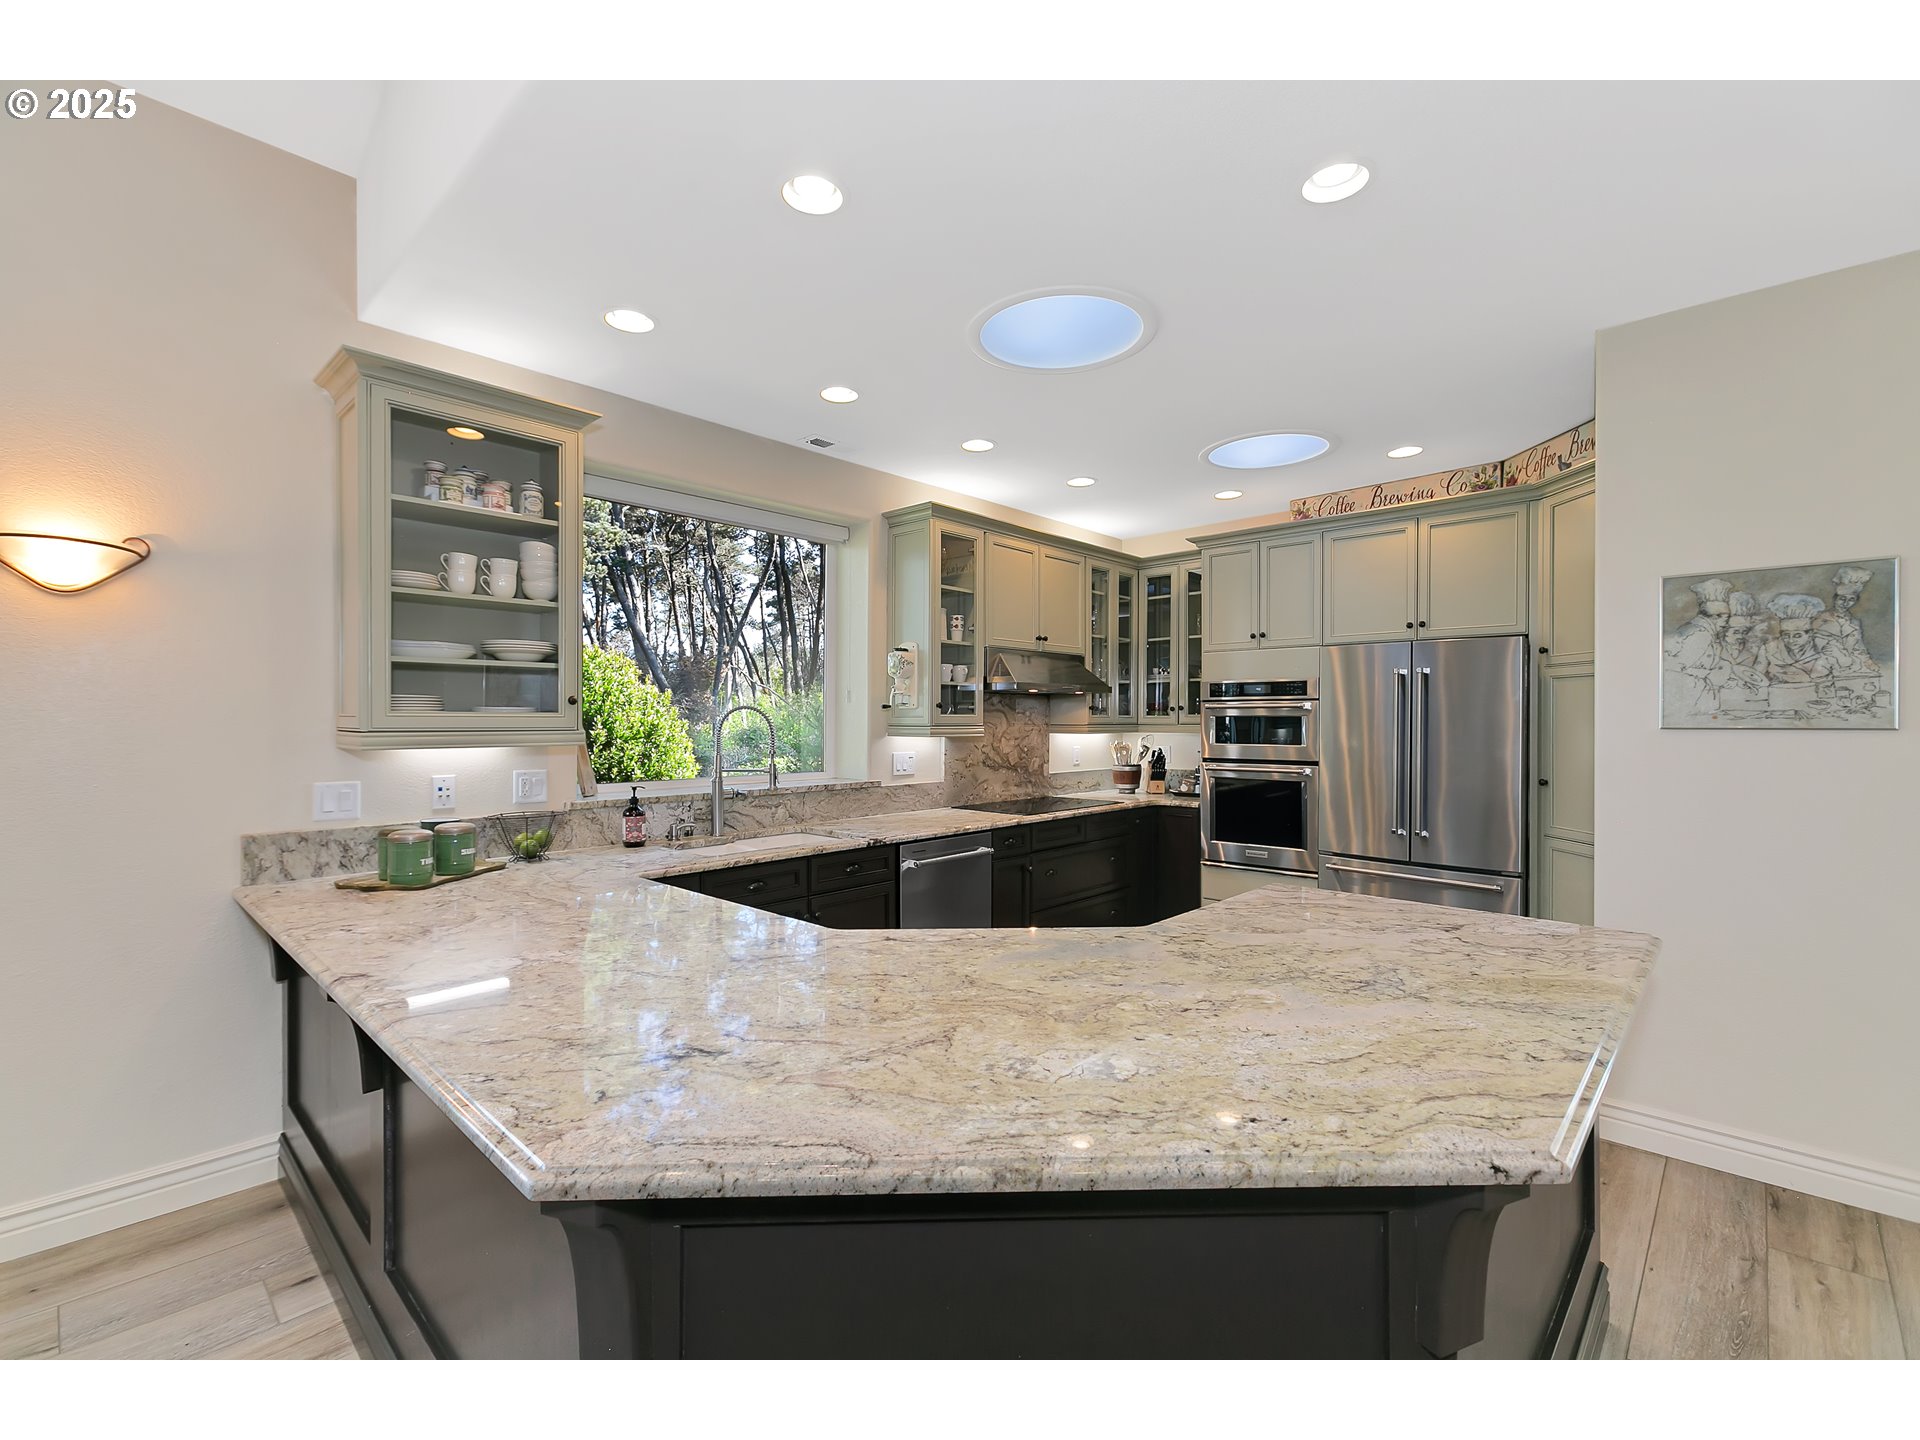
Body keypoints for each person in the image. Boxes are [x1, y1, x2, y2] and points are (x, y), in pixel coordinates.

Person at [1665, 577, 1734, 711]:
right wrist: (1708, 675)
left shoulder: (1705, 632)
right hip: (1689, 694)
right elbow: (1674, 666)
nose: (1726, 623)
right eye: (1725, 618)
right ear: (1714, 616)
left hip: (1699, 692)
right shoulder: (1700, 634)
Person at [1814, 565, 1879, 677]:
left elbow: (1858, 647)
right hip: (1822, 667)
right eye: (1842, 599)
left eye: (1851, 600)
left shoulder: (1854, 622)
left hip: (1849, 666)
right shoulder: (1820, 618)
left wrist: (1868, 661)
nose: (1845, 603)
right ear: (1835, 599)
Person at [1760, 594, 1835, 683]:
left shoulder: (1825, 645)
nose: (1791, 640)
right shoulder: (1769, 648)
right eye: (1786, 635)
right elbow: (1756, 673)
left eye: (1797, 635)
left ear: (1810, 634)